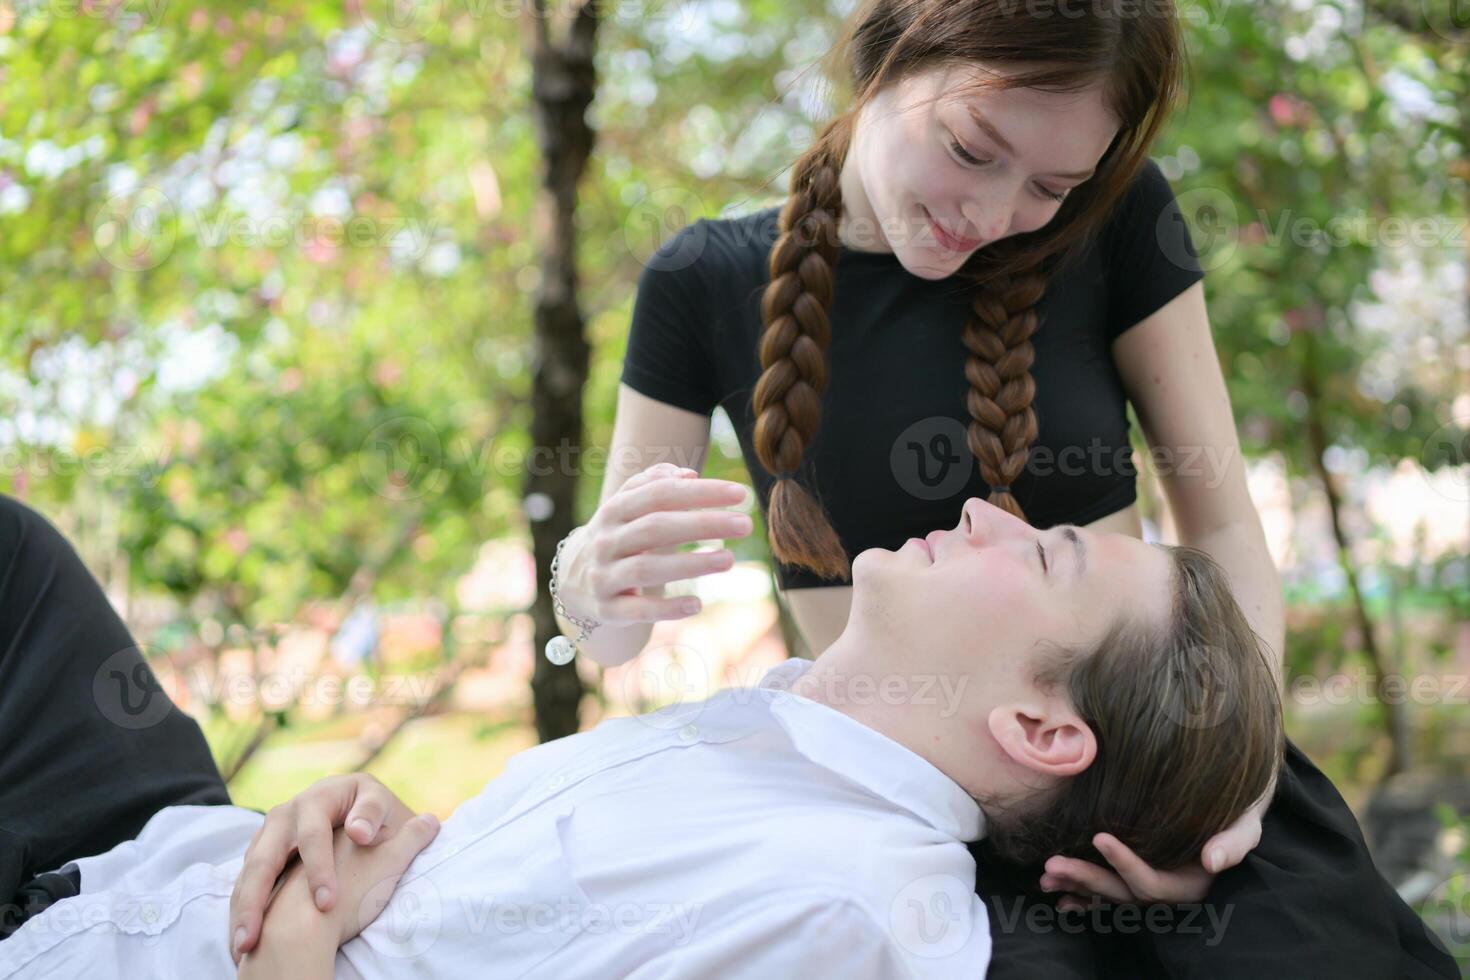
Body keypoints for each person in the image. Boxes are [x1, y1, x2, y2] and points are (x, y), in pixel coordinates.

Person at [1, 495, 1284, 979]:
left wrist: (292, 947)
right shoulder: (785, 746)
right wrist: (363, 828)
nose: (987, 508)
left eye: (1048, 551)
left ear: (1038, 727)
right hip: (163, 856)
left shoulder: (848, 913)